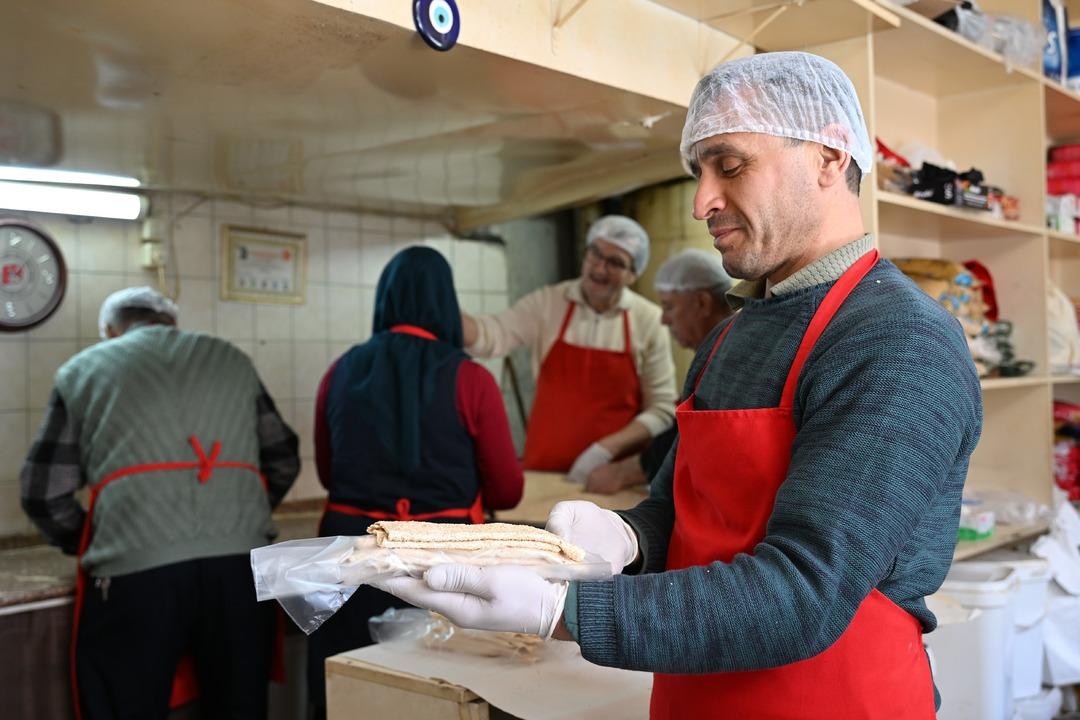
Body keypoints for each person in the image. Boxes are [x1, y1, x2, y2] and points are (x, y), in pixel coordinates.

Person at [374, 51, 983, 720]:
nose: (702, 202)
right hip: (696, 697)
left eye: (730, 165)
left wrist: (563, 610)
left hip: (831, 699)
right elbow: (683, 510)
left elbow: (805, 592)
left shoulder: (896, 340)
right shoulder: (730, 335)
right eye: (698, 172)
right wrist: (631, 536)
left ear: (829, 158)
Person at [20, 286, 300, 720]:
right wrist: (233, 510)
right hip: (239, 569)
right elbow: (282, 458)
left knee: (125, 705)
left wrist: (95, 535)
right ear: (172, 324)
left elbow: (43, 493)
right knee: (240, 705)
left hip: (135, 575)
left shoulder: (83, 370)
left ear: (110, 330)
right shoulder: (230, 360)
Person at [307, 246, 524, 718]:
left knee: (349, 688)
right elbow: (508, 492)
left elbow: (329, 475)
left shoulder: (339, 371)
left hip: (347, 562)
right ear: (447, 303)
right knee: (434, 697)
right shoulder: (471, 378)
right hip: (440, 569)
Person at [462, 215, 677, 483]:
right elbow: (491, 336)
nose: (599, 267)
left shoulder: (649, 321)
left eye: (615, 263)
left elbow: (662, 410)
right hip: (544, 470)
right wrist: (449, 315)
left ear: (633, 274)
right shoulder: (549, 302)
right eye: (595, 254)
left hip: (608, 479)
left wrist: (605, 450)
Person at [586, 248, 733, 494]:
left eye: (669, 307)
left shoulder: (729, 358)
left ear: (702, 303)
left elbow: (695, 439)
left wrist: (623, 473)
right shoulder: (712, 352)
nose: (663, 320)